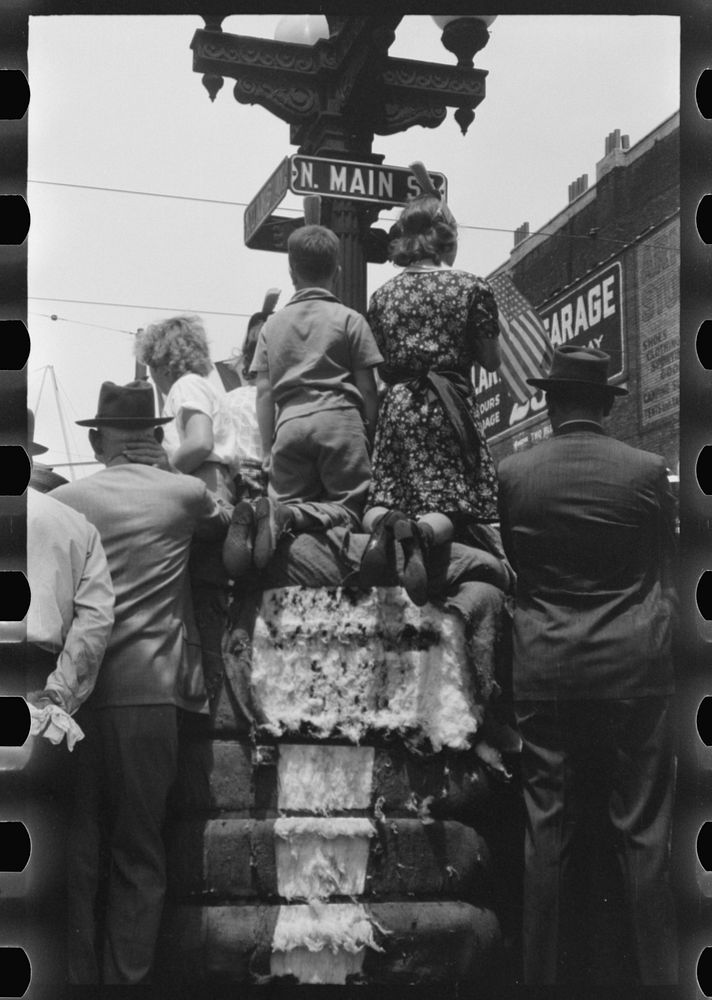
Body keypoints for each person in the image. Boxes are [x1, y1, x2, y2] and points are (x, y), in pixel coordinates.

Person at [497, 345, 678, 986]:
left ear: (548, 402)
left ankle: (542, 981)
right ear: (605, 404)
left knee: (547, 826)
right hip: (634, 669)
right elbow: (666, 564)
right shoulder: (647, 470)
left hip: (545, 669)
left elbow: (513, 569)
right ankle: (658, 979)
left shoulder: (514, 476)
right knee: (643, 831)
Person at [52, 381, 231, 987]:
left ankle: (75, 976)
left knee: (77, 850)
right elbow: (228, 522)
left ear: (99, 438)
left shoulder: (70, 500)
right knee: (138, 850)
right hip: (152, 694)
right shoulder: (183, 494)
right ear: (156, 435)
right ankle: (126, 981)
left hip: (74, 699)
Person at [359, 187, 502, 606]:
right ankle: (420, 536)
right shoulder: (472, 287)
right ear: (447, 238)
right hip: (449, 405)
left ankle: (385, 526)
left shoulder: (382, 296)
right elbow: (491, 361)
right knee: (458, 498)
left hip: (401, 403)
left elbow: (382, 366)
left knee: (385, 491)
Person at [223, 225, 382, 577]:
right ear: (337, 272)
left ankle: (283, 516)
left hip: (290, 424)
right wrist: (368, 432)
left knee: (285, 518)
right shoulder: (350, 320)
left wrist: (268, 449)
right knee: (350, 509)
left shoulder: (271, 326)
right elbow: (368, 389)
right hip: (341, 421)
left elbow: (264, 393)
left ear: (292, 272)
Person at [135, 315, 239, 699]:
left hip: (205, 487)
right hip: (222, 486)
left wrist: (161, 476)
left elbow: (198, 442)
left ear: (162, 364)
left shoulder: (183, 387)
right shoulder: (207, 386)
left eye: (151, 371)